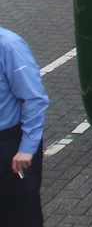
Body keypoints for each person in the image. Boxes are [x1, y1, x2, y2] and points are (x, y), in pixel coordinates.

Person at [0, 26, 48, 227]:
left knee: (21, 215)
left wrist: (27, 149)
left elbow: (34, 99)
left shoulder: (9, 46)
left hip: (11, 146)